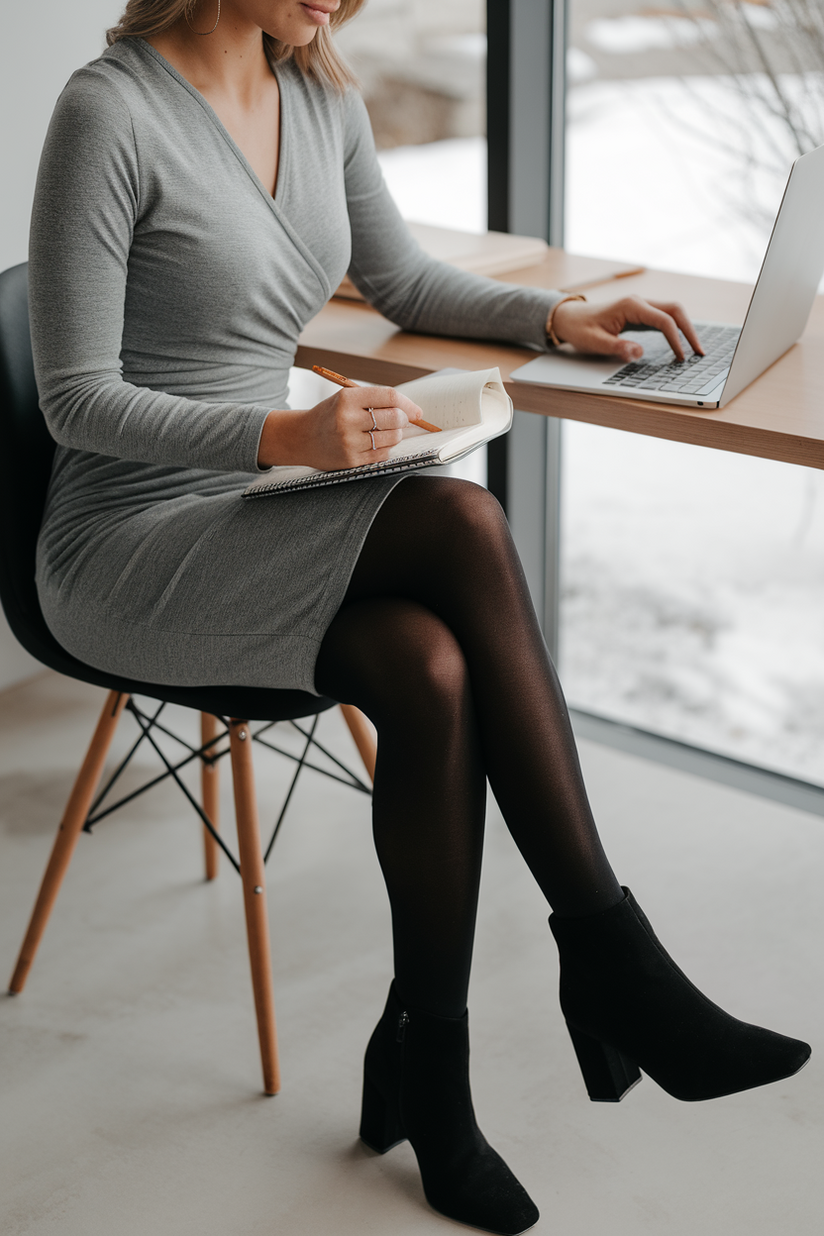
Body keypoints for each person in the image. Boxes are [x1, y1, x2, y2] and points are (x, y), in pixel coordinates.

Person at [28, 2, 810, 1233]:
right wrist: (281, 432)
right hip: (124, 546)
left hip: (249, 504)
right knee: (457, 520)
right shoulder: (109, 112)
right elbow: (76, 403)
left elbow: (395, 278)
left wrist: (555, 320)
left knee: (427, 664)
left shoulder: (317, 89)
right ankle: (612, 959)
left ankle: (425, 1072)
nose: (340, 2)